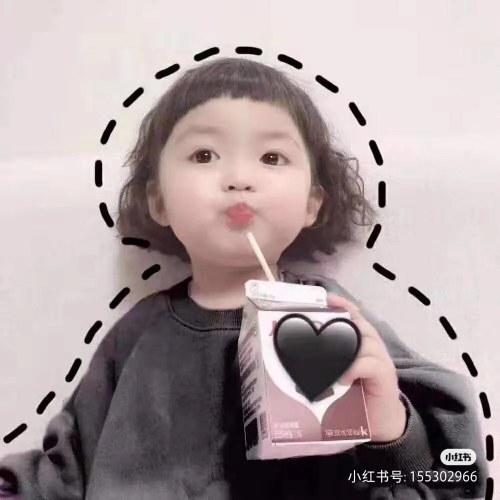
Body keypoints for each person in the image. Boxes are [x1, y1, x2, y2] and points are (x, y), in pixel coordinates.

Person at [0, 57, 488, 499]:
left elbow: (451, 478)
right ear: (159, 202)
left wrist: (391, 428)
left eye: (272, 158)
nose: (238, 177)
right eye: (204, 155)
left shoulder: (331, 320)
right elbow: (62, 473)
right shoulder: (136, 337)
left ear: (312, 204)